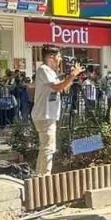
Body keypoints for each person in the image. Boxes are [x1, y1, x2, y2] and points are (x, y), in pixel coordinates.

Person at [30, 46, 82, 175]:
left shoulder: (51, 72)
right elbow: (58, 87)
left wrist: (72, 76)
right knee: (48, 149)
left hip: (48, 115)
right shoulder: (44, 69)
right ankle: (43, 177)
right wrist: (71, 75)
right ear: (50, 57)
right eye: (58, 56)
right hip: (44, 115)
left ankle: (39, 176)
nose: (60, 60)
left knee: (46, 148)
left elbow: (65, 88)